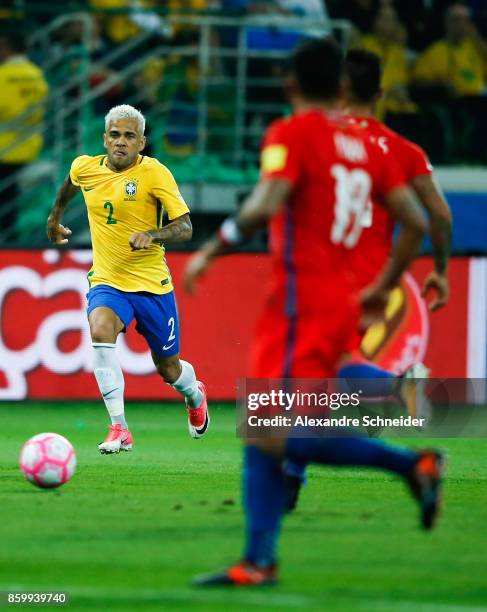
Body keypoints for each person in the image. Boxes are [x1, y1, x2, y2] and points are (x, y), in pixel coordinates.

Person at [184, 38, 444, 586]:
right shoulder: (364, 146)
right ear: (342, 88)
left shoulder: (293, 133)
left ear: (290, 86)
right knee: (273, 426)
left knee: (268, 428)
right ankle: (259, 559)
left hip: (300, 303)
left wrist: (215, 245)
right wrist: (384, 286)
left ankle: (409, 463)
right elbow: (418, 221)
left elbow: (267, 201)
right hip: (341, 300)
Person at [283, 48, 453, 512]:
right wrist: (439, 269)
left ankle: (394, 389)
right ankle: (291, 476)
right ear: (379, 92)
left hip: (326, 279)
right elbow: (437, 214)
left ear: (338, 89)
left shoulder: (323, 140)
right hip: (377, 279)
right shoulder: (401, 149)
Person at [46, 104, 209, 454]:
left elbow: (186, 227)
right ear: (105, 139)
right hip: (108, 280)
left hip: (152, 286)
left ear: (142, 142)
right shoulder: (84, 167)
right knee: (100, 330)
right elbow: (69, 186)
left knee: (168, 369)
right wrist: (54, 216)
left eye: (129, 136)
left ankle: (195, 394)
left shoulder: (155, 173)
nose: (121, 142)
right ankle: (119, 427)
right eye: (115, 135)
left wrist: (152, 234)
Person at [0, 28, 49, 241]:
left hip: (5, 148)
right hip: (30, 146)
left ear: (5, 45)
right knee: (10, 203)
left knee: (5, 203)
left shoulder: (4, 75)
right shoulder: (36, 74)